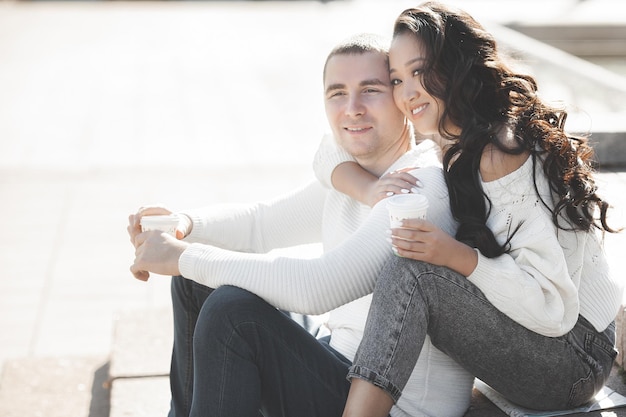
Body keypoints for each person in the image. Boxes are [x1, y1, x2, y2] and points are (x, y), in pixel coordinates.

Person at [128, 33, 475, 417]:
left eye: (370, 90)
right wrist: (182, 226)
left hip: (393, 405)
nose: (352, 108)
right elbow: (260, 224)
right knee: (197, 283)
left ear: (398, 95)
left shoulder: (420, 187)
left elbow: (319, 286)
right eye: (337, 93)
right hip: (339, 362)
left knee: (233, 313)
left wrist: (183, 257)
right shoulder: (354, 179)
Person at [315, 3, 624, 417]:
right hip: (549, 344)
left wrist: (455, 256)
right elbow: (325, 152)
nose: (407, 94)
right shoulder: (451, 138)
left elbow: (553, 309)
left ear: (457, 68)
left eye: (421, 72)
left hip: (574, 359)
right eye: (396, 80)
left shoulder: (501, 152)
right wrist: (368, 187)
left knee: (413, 273)